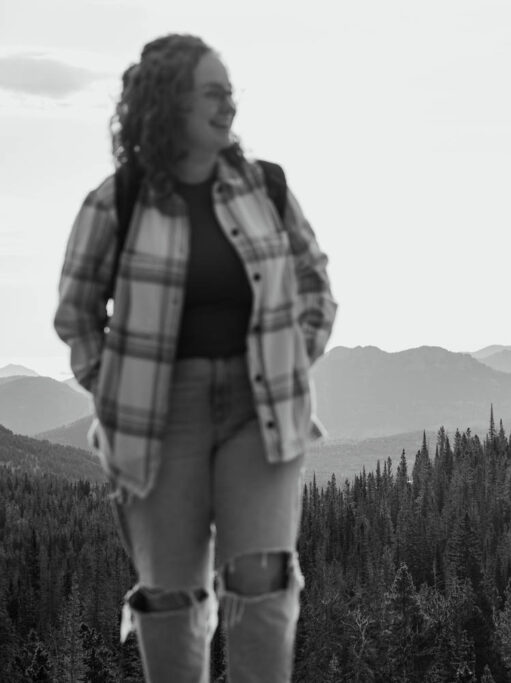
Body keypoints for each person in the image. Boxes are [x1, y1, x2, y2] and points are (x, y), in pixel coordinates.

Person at [54, 34, 337, 682]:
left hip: (258, 409)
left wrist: (293, 363)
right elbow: (77, 314)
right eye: (213, 92)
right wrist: (117, 393)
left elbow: (314, 283)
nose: (228, 105)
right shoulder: (117, 200)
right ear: (169, 104)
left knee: (263, 579)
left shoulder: (265, 187)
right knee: (172, 595)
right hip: (159, 419)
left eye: (230, 92)